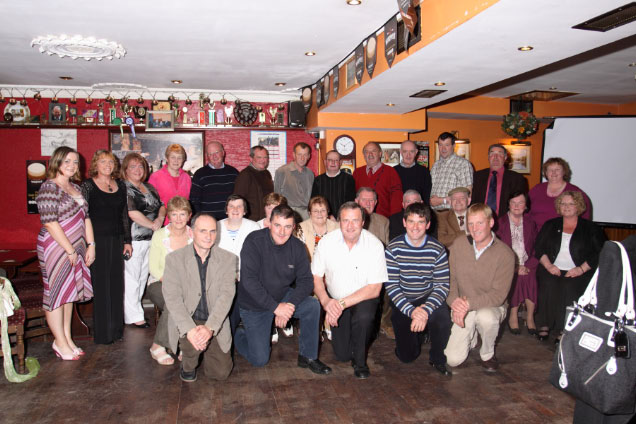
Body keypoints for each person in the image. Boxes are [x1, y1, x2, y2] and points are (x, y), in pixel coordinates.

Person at [234, 205, 332, 375]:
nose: (282, 232)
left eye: (287, 226)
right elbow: (249, 282)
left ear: (293, 227)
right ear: (269, 223)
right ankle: (239, 334)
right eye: (277, 225)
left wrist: (290, 305)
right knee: (260, 360)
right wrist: (276, 308)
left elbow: (306, 281)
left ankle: (308, 356)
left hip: (281, 295)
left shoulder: (298, 247)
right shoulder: (254, 241)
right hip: (254, 304)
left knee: (312, 306)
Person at [312, 202, 387, 379]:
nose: (350, 226)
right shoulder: (326, 242)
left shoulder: (375, 245)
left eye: (355, 220)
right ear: (339, 222)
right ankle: (354, 345)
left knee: (364, 317)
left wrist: (340, 304)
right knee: (342, 355)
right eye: (346, 220)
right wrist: (327, 302)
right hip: (335, 299)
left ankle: (360, 362)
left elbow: (375, 289)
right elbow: (316, 277)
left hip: (363, 298)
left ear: (363, 222)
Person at [162, 213, 237, 382]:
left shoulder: (228, 259)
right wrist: (190, 330)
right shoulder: (174, 259)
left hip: (214, 320)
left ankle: (202, 350)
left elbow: (226, 296)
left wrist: (209, 328)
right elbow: (172, 299)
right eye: (203, 231)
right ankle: (188, 363)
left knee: (220, 373)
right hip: (188, 319)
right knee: (191, 350)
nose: (208, 236)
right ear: (191, 232)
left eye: (212, 231)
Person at [36, 147, 94, 360]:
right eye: (67, 161)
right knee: (56, 292)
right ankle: (59, 342)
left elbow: (86, 217)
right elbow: (50, 223)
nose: (72, 165)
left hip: (76, 247)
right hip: (56, 247)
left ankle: (68, 339)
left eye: (75, 162)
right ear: (57, 162)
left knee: (69, 293)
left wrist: (91, 244)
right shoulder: (49, 187)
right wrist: (69, 249)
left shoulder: (75, 187)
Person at [444, 203, 515, 372]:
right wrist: (454, 303)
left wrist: (467, 304)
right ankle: (473, 336)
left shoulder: (505, 254)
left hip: (490, 306)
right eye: (470, 224)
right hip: (463, 305)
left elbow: (498, 295)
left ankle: (487, 353)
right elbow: (450, 280)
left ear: (491, 223)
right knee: (452, 360)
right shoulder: (459, 245)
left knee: (486, 318)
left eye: (480, 223)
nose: (474, 229)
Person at [384, 203, 452, 375]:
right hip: (403, 299)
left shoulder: (438, 249)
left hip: (428, 296)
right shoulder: (393, 248)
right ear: (404, 222)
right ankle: (418, 335)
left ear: (428, 224)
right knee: (407, 357)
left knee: (442, 318)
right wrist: (412, 311)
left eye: (420, 222)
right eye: (411, 221)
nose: (415, 227)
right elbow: (392, 286)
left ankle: (437, 357)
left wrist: (425, 309)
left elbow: (442, 286)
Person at [534, 191, 605, 343]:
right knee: (548, 283)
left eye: (571, 204)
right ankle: (544, 324)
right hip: (552, 267)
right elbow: (539, 248)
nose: (566, 207)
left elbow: (599, 253)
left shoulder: (590, 228)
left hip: (580, 270)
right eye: (563, 204)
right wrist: (549, 266)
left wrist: (581, 269)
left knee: (569, 286)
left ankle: (565, 327)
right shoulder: (550, 225)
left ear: (578, 206)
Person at [81, 150, 132, 345]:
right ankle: (103, 334)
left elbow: (124, 214)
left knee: (117, 284)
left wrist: (127, 241)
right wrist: (89, 244)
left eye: (111, 162)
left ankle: (116, 330)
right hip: (97, 241)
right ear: (96, 164)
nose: (107, 165)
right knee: (101, 286)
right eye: (103, 161)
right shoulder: (87, 186)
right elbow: (83, 216)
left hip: (117, 239)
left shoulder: (120, 185)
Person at [121, 153, 166, 328]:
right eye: (133, 166)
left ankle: (134, 311)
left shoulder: (149, 187)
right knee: (132, 278)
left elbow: (162, 205)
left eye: (140, 166)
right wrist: (152, 225)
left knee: (142, 277)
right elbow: (131, 213)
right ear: (125, 170)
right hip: (133, 239)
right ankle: (134, 316)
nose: (137, 170)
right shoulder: (124, 188)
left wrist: (160, 219)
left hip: (151, 239)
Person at [147, 196, 193, 365]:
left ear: (189, 215)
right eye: (174, 214)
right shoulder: (159, 235)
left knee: (184, 300)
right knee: (175, 301)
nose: (178, 219)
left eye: (182, 214)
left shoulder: (194, 235)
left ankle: (177, 344)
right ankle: (160, 345)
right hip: (159, 283)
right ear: (169, 216)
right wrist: (173, 283)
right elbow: (154, 267)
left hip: (188, 286)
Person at [495, 191, 539, 335]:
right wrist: (515, 267)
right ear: (508, 205)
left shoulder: (531, 223)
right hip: (507, 265)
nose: (516, 206)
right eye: (513, 202)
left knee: (530, 276)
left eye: (520, 203)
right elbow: (497, 250)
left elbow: (536, 248)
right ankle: (513, 315)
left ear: (526, 206)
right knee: (517, 277)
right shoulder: (499, 223)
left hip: (528, 263)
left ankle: (530, 316)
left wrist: (528, 265)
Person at [296, 196, 339, 340]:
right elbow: (300, 256)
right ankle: (315, 327)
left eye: (323, 210)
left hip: (331, 270)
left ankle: (329, 324)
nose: (319, 214)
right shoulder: (301, 228)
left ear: (328, 212)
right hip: (309, 270)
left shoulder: (337, 228)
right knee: (313, 289)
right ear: (309, 213)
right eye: (315, 211)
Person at [217, 194, 259, 333]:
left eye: (239, 206)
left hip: (247, 277)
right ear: (226, 210)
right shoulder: (216, 227)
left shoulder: (254, 227)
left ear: (245, 210)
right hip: (222, 278)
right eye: (231, 206)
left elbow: (259, 257)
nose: (235, 209)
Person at [528, 157, 592, 231]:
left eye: (557, 169)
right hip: (536, 234)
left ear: (564, 172)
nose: (554, 172)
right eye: (550, 170)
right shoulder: (537, 189)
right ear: (546, 172)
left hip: (563, 235)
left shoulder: (575, 192)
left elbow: (585, 219)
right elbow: (526, 211)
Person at [471, 144, 528, 218]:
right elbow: (472, 200)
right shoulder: (477, 176)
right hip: (480, 219)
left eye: (500, 153)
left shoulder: (517, 178)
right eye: (492, 153)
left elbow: (521, 203)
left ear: (505, 157)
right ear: (488, 157)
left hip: (506, 220)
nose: (495, 157)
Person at [189, 141, 239, 220]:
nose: (214, 156)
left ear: (223, 153)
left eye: (216, 152)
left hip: (230, 220)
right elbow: (194, 201)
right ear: (207, 156)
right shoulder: (199, 174)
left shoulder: (234, 173)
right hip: (207, 222)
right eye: (210, 154)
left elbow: (239, 199)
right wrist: (201, 219)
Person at [353, 142, 402, 218]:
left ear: (380, 154)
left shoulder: (390, 172)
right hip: (361, 218)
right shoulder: (357, 173)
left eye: (374, 151)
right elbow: (353, 197)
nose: (370, 154)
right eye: (367, 152)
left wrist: (394, 219)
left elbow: (397, 199)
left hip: (384, 219)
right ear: (364, 155)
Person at [148, 144, 191, 224]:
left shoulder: (187, 178)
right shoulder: (155, 177)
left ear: (183, 160)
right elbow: (150, 204)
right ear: (167, 158)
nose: (176, 161)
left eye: (179, 158)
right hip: (162, 224)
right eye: (173, 157)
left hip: (182, 224)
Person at [429, 132, 473, 211]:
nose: (443, 148)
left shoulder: (463, 164)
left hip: (453, 212)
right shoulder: (435, 165)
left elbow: (467, 194)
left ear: (454, 146)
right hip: (434, 213)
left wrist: (442, 200)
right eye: (440, 145)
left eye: (447, 145)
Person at [274, 142, 314, 220]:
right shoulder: (282, 171)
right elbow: (276, 196)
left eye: (305, 155)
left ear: (309, 156)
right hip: (288, 213)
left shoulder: (310, 173)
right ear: (294, 155)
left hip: (306, 214)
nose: (302, 158)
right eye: (299, 154)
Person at [310, 150, 356, 218]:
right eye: (330, 160)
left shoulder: (348, 179)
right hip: (323, 218)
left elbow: (351, 203)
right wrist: (329, 216)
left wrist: (340, 217)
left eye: (336, 160)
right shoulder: (318, 180)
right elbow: (314, 202)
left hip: (343, 218)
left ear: (340, 162)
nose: (333, 162)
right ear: (325, 162)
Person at [233, 146, 273, 221]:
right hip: (251, 221)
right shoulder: (245, 175)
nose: (263, 160)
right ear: (251, 159)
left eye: (265, 157)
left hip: (266, 219)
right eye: (259, 157)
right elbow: (237, 200)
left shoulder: (267, 173)